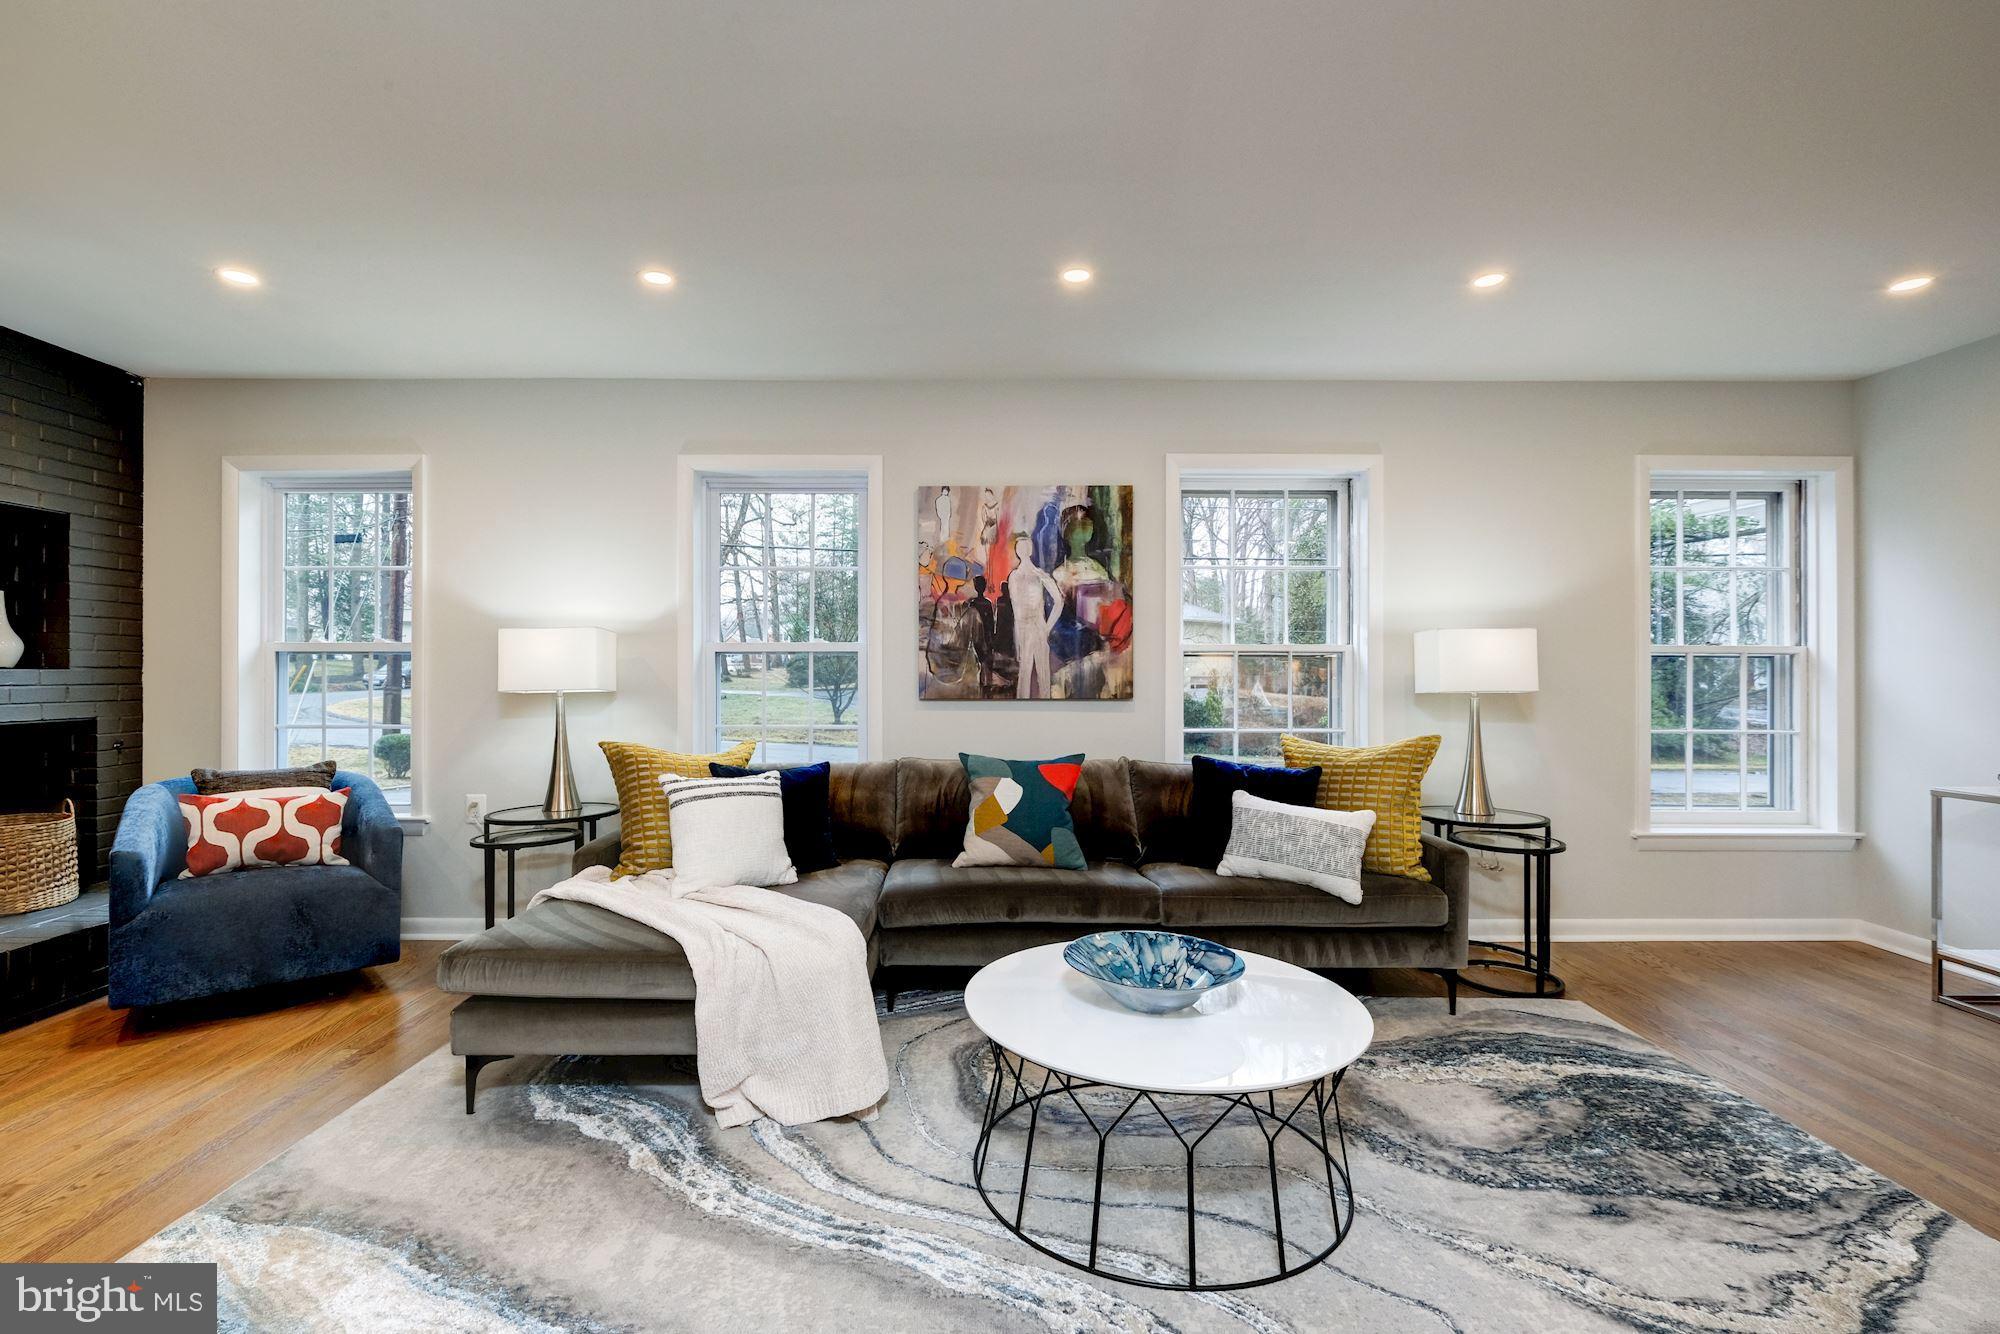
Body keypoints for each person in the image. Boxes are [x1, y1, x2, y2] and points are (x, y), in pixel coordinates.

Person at [1006, 530, 1060, 698]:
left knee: (1040, 673)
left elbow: (1059, 601)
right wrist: (1046, 628)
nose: (1022, 551)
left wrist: (1047, 627)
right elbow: (1016, 611)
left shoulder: (1037, 575)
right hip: (1028, 628)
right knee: (1029, 673)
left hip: (1035, 627)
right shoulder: (1016, 577)